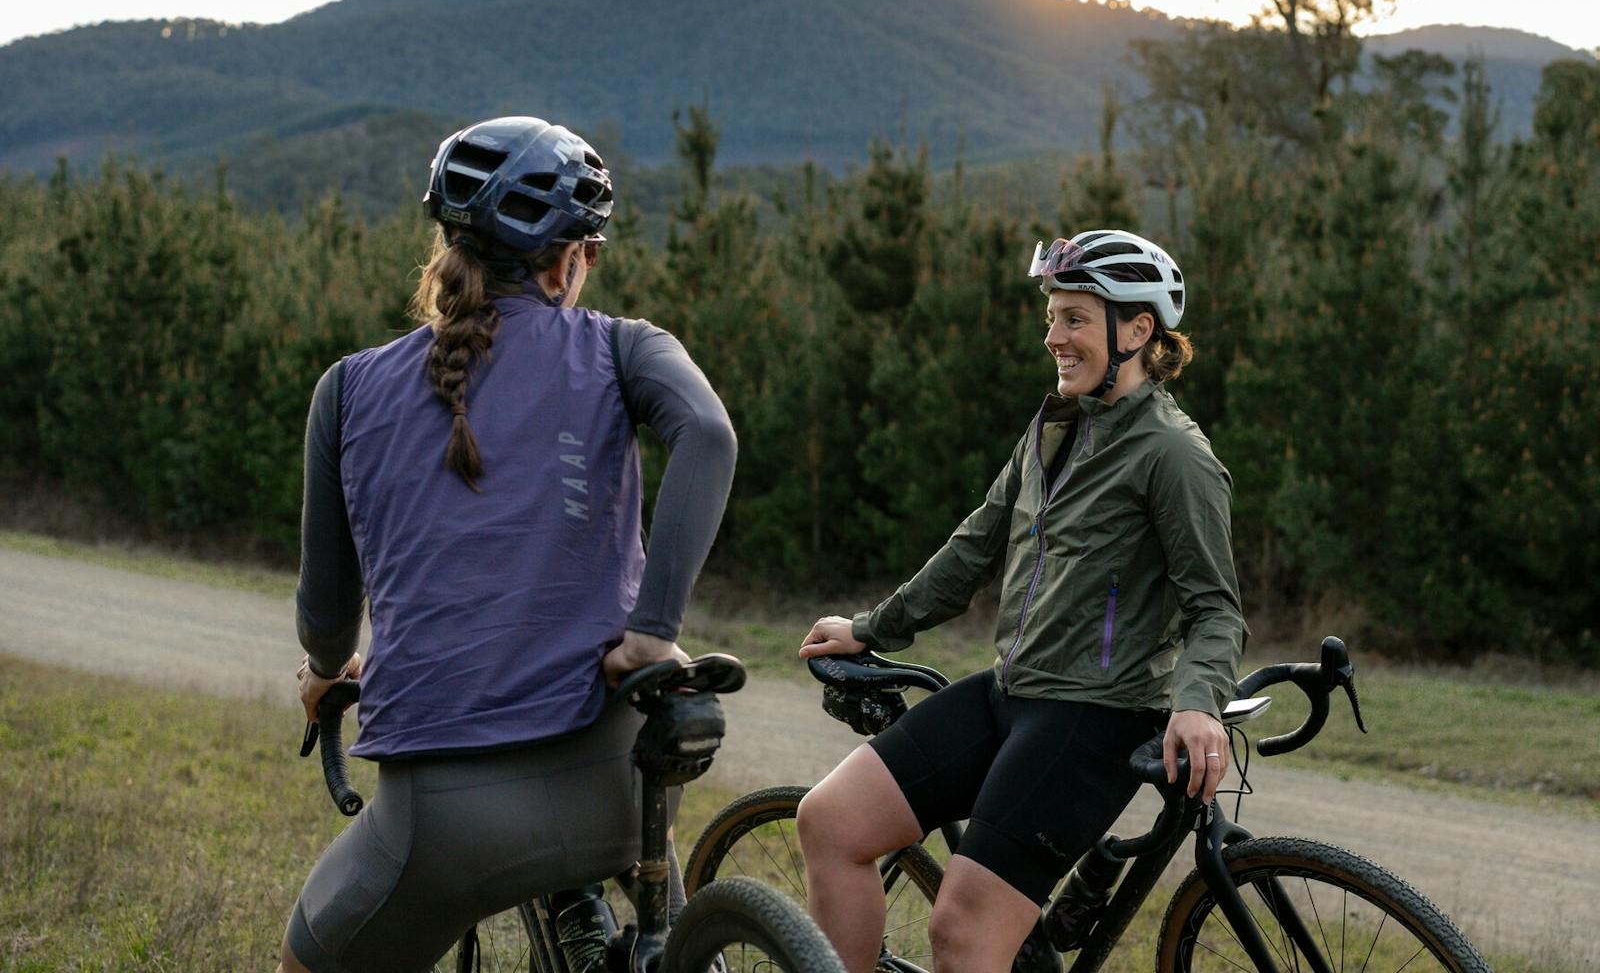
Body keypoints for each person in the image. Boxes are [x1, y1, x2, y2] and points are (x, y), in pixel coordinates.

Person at [279, 117, 737, 973]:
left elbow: (328, 620)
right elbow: (709, 436)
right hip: (614, 789)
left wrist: (324, 668)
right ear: (567, 261)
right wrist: (653, 629)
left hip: (443, 824)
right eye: (589, 253)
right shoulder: (623, 347)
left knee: (306, 959)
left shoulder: (344, 392)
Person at [796, 229, 1246, 973]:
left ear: (1137, 330)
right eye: (1052, 317)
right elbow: (975, 545)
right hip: (1013, 691)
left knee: (962, 931)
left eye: (1074, 318)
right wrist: (874, 628)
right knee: (830, 822)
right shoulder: (1054, 427)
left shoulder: (1174, 455)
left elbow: (1217, 610)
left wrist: (1196, 703)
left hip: (1095, 717)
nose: (1054, 337)